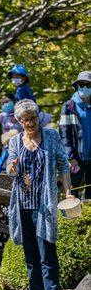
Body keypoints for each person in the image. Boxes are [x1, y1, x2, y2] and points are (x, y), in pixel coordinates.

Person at [7, 99, 74, 290]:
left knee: (47, 256)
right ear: (19, 122)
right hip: (23, 206)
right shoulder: (16, 141)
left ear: (38, 117)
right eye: (25, 120)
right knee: (31, 257)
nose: (30, 123)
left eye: (33, 118)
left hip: (43, 206)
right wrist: (12, 168)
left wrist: (68, 193)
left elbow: (63, 165)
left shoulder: (51, 136)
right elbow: (10, 168)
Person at [59, 71, 91, 199]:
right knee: (73, 193)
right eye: (81, 84)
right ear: (76, 86)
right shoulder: (69, 106)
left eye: (88, 85)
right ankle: (72, 219)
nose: (84, 87)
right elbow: (63, 134)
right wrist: (70, 157)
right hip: (76, 158)